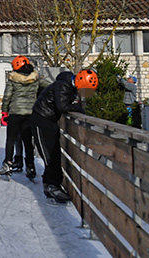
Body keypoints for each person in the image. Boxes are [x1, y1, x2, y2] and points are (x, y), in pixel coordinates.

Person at [31, 68, 96, 204]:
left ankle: (53, 184)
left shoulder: (68, 86)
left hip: (50, 120)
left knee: (55, 154)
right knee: (49, 155)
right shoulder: (63, 86)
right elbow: (62, 106)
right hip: (41, 119)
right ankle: (51, 186)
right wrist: (79, 108)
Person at [0, 55, 50, 181]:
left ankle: (8, 164)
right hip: (30, 113)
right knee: (27, 141)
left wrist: (4, 112)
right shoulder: (36, 77)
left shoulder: (13, 79)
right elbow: (49, 86)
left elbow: (7, 96)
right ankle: (30, 166)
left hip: (15, 113)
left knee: (11, 139)